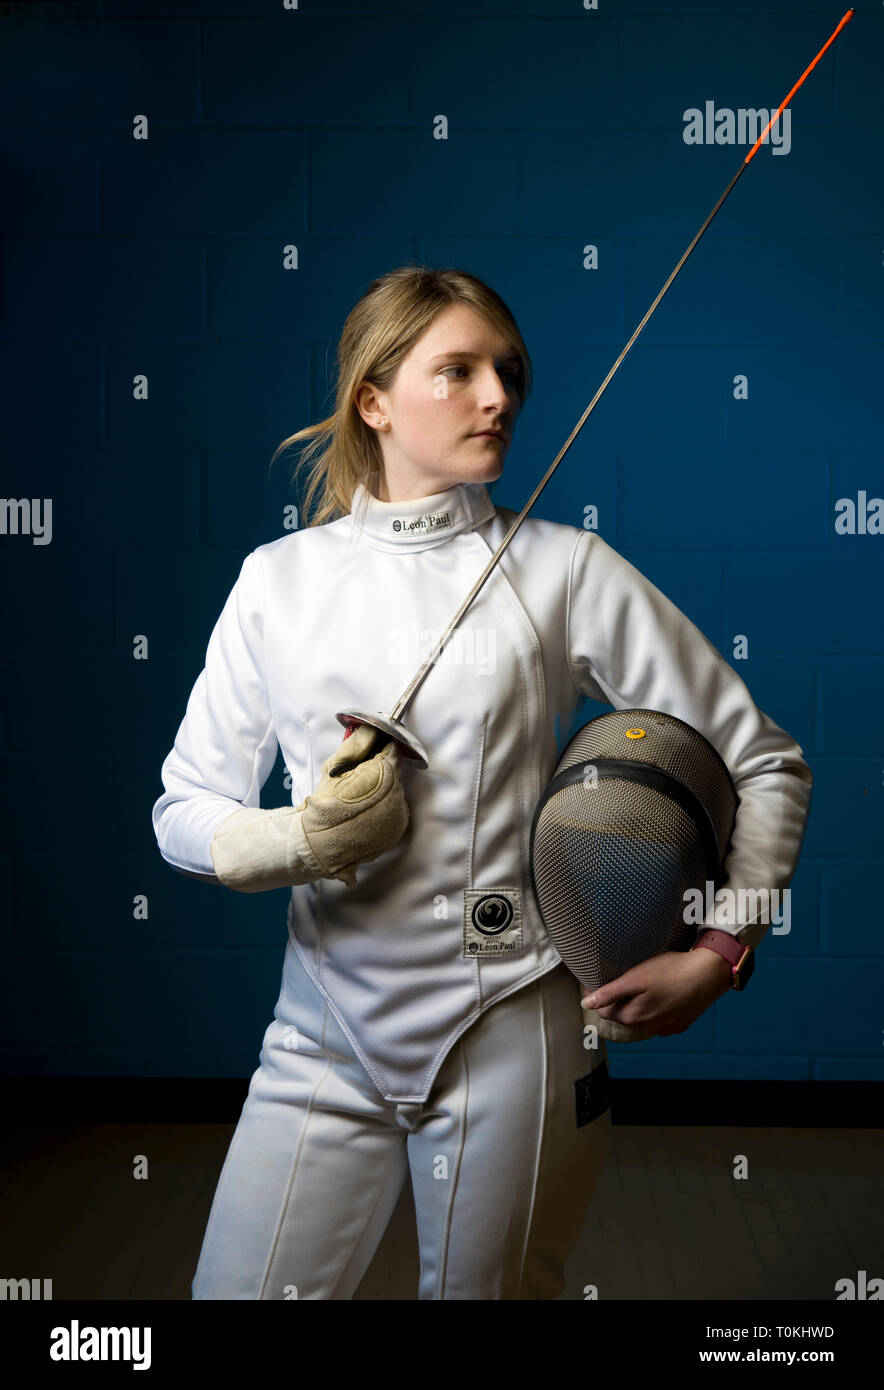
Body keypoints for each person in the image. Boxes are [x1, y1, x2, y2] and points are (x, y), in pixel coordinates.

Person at [151, 265, 813, 1300]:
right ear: (372, 399)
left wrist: (723, 946)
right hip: (321, 1032)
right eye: (454, 372)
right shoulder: (276, 582)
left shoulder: (563, 566)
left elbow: (764, 758)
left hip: (513, 1025)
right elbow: (182, 808)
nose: (497, 396)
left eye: (504, 371)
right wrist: (298, 842)